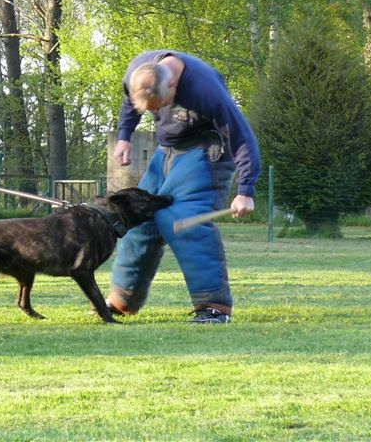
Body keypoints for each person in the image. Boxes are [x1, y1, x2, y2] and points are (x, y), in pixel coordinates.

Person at [106, 50, 261, 323]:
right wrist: (124, 136)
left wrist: (245, 190)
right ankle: (121, 300)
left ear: (172, 85)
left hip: (206, 149)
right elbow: (130, 102)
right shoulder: (138, 71)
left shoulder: (206, 90)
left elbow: (242, 137)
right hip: (167, 150)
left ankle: (213, 307)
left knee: (183, 220)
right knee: (137, 217)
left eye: (158, 105)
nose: (155, 112)